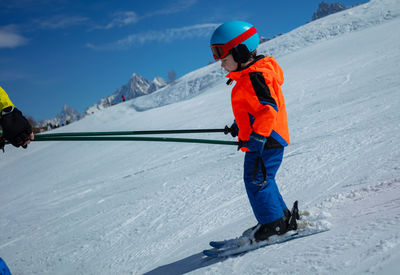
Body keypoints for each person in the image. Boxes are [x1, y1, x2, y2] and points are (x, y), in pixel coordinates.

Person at [210, 21, 298, 242]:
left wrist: (258, 135)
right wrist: (240, 127)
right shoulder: (249, 76)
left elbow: (268, 108)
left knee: (256, 181)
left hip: (267, 140)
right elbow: (254, 108)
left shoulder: (255, 76)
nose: (221, 64)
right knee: (263, 180)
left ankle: (274, 225)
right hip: (264, 138)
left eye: (223, 58)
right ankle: (279, 218)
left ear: (240, 51)